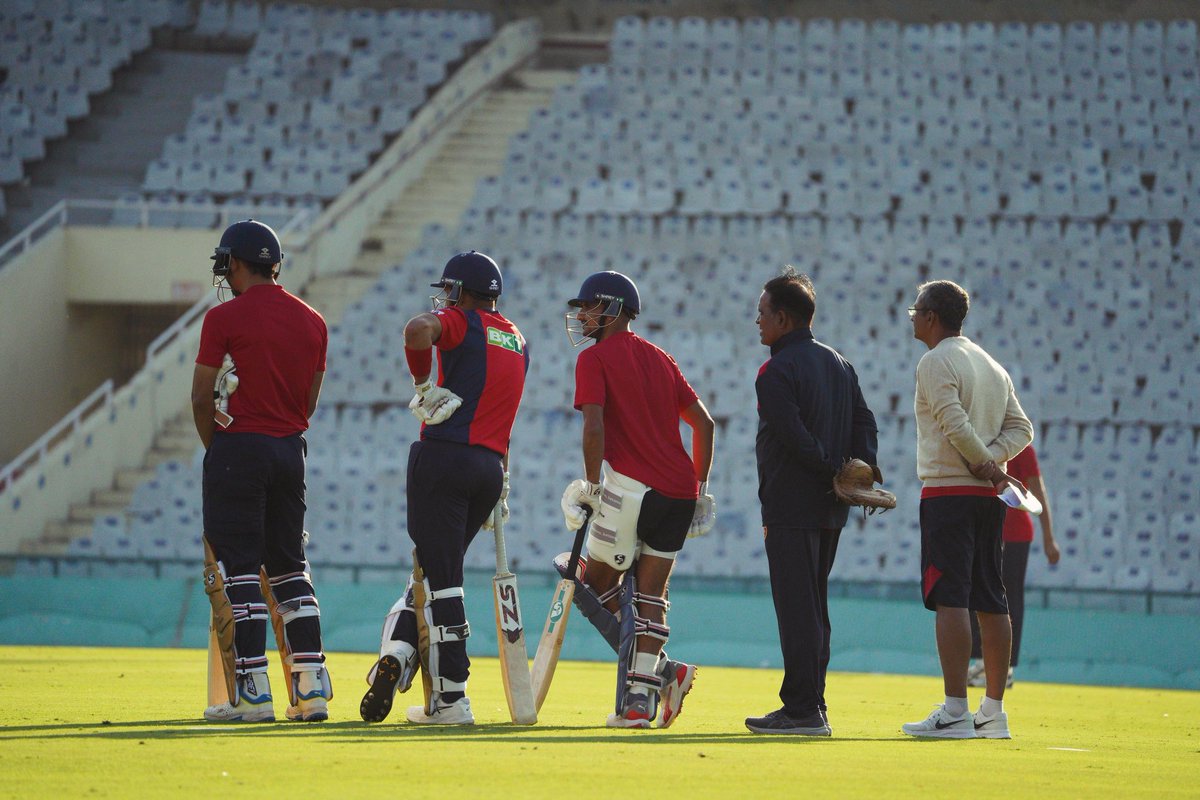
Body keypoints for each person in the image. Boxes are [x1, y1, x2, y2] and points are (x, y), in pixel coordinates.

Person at [360, 250, 527, 726]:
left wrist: (422, 383)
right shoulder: (516, 338)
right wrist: (503, 480)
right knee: (433, 577)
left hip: (446, 458)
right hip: (490, 467)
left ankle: (451, 698)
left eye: (450, 291)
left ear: (462, 292)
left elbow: (417, 330)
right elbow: (507, 414)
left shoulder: (461, 320)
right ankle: (399, 652)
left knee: (441, 584)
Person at [558, 270, 715, 729]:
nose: (581, 315)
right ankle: (641, 700)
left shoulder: (594, 359)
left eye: (588, 306)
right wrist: (701, 489)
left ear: (610, 308)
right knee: (651, 597)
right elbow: (703, 424)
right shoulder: (662, 358)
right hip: (679, 493)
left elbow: (594, 426)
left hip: (629, 490)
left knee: (591, 583)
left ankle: (663, 671)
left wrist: (590, 484)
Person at [192, 219, 332, 723]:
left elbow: (200, 395)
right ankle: (312, 690)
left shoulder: (223, 318)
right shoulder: (314, 320)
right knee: (291, 568)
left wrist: (220, 450)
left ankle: (253, 693)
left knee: (241, 571)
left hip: (239, 448)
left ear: (234, 263)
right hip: (289, 450)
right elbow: (310, 400)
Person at [743, 268, 881, 736]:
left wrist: (830, 469)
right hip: (830, 509)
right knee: (814, 607)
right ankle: (812, 704)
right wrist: (859, 471)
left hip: (791, 506)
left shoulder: (775, 370)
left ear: (782, 318)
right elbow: (865, 421)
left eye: (762, 313)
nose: (756, 321)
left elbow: (793, 436)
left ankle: (802, 709)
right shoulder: (840, 363)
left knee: (798, 609)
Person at [901, 279, 1034, 740]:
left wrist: (984, 465)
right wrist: (994, 463)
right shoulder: (991, 364)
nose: (912, 318)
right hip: (987, 500)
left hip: (949, 493)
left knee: (950, 596)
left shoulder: (935, 361)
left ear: (932, 317)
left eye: (916, 310)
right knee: (991, 597)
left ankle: (956, 709)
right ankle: (992, 712)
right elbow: (1023, 428)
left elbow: (951, 421)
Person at [967, 444, 1060, 688]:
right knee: (982, 595)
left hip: (1014, 533)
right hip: (988, 529)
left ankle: (1003, 667)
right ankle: (983, 662)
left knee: (1008, 599)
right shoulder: (986, 443)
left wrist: (1049, 537)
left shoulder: (1022, 449)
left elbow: (1037, 491)